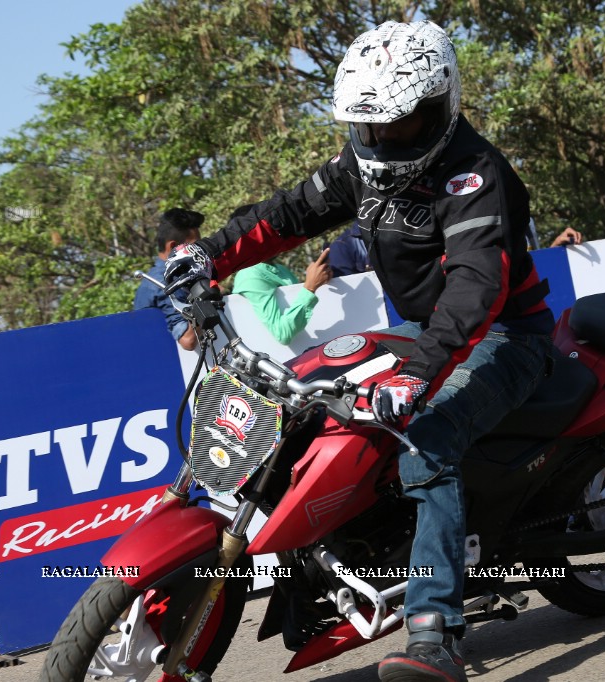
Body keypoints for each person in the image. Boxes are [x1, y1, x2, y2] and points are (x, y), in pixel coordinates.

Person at [164, 20, 553, 682]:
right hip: (427, 332)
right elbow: (284, 216)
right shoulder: (362, 165)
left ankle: (434, 633)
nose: (381, 140)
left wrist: (417, 376)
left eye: (398, 126)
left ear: (438, 106)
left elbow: (476, 287)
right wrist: (206, 255)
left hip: (501, 336)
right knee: (308, 405)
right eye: (368, 128)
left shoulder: (472, 174)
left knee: (425, 440)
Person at [134, 208, 203, 350]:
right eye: (195, 246)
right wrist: (206, 296)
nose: (200, 252)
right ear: (173, 247)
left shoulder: (170, 276)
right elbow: (188, 340)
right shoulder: (166, 282)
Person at [231, 249, 332, 344]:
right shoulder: (250, 276)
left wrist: (319, 279)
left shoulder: (281, 269)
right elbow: (282, 334)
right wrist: (310, 287)